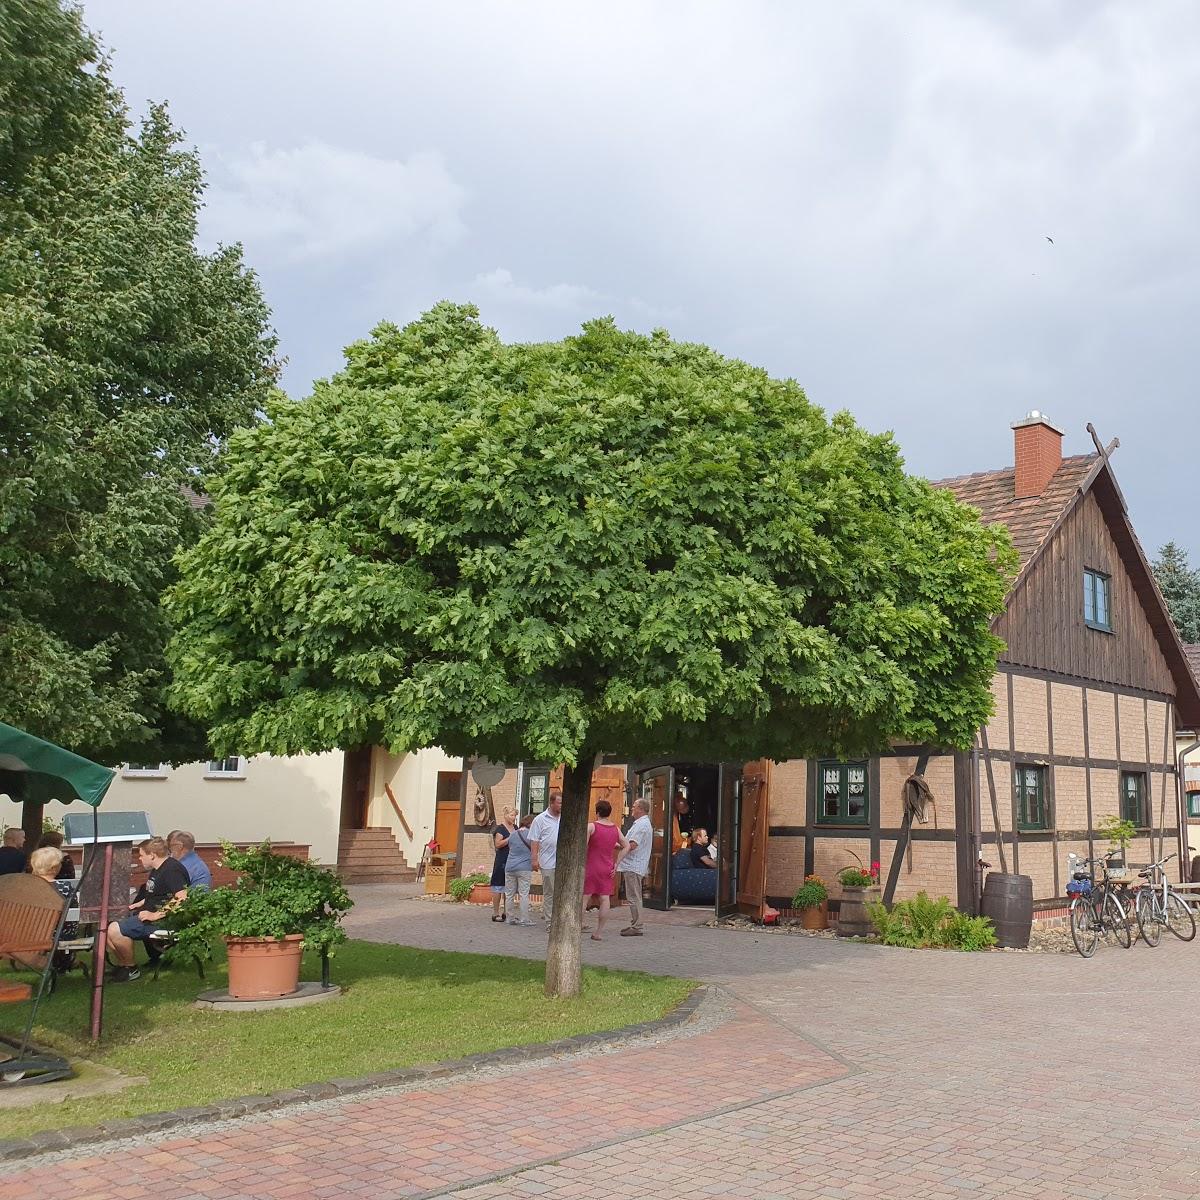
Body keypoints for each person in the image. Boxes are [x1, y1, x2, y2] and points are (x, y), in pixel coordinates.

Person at [106, 836, 190, 983]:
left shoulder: (172, 869)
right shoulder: (158, 869)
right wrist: (139, 904)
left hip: (165, 921)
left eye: (141, 855)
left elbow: (182, 897)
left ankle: (132, 969)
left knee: (114, 930)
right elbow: (159, 893)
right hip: (150, 916)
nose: (140, 858)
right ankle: (123, 965)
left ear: (152, 855)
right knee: (107, 930)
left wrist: (156, 915)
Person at [582, 800, 627, 941]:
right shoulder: (615, 829)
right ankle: (599, 932)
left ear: (597, 812)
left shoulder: (591, 827)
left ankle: (578, 925)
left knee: (584, 897)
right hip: (607, 867)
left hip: (591, 866)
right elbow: (626, 846)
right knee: (604, 898)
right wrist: (617, 863)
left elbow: (583, 846)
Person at [617, 797, 653, 937]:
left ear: (641, 809)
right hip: (633, 865)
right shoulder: (640, 823)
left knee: (634, 896)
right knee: (633, 895)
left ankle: (637, 926)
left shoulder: (641, 825)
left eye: (634, 806)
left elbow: (632, 845)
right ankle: (635, 923)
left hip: (633, 865)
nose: (632, 808)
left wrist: (618, 848)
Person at [529, 790, 562, 926]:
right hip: (548, 862)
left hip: (563, 862)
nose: (562, 805)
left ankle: (561, 919)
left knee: (562, 892)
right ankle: (550, 921)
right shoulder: (540, 819)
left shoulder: (564, 817)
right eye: (559, 803)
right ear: (552, 803)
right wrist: (534, 859)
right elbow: (534, 840)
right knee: (550, 892)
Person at [505, 813, 536, 926]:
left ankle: (509, 917)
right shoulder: (531, 835)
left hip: (510, 867)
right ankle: (524, 919)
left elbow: (510, 848)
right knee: (523, 894)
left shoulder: (512, 834)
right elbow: (535, 850)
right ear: (531, 824)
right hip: (524, 868)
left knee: (509, 894)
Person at [489, 808, 515, 921]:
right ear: (505, 815)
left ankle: (506, 912)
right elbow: (498, 844)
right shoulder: (500, 829)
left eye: (514, 815)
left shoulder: (516, 828)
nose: (513, 818)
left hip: (513, 860)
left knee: (509, 887)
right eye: (511, 815)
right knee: (498, 885)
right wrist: (509, 839)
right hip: (502, 860)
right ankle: (496, 913)